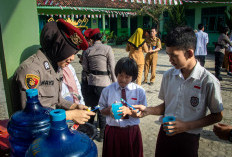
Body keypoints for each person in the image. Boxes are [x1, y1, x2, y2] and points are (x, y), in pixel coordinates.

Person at [134, 26, 223, 157]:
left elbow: (217, 115)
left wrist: (186, 126)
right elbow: (167, 105)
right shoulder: (169, 76)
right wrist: (148, 110)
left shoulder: (208, 81)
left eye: (174, 56)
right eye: (168, 54)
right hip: (165, 133)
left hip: (189, 139)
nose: (170, 60)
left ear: (190, 53)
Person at [11, 19, 95, 125]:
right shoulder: (31, 71)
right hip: (34, 135)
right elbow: (31, 113)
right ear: (57, 47)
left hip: (50, 129)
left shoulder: (56, 67)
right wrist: (70, 115)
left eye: (75, 52)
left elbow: (56, 100)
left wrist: (73, 106)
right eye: (69, 52)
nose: (72, 58)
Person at [99, 57, 147, 157]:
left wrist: (129, 111)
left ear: (133, 77)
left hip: (132, 131)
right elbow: (101, 110)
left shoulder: (139, 91)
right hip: (113, 131)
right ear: (116, 73)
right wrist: (109, 109)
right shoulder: (107, 90)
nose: (123, 79)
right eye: (120, 75)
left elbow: (143, 113)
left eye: (127, 76)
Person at [82, 28, 117, 142]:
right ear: (100, 38)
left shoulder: (87, 51)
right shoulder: (107, 49)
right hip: (104, 84)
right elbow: (112, 68)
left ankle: (90, 132)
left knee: (91, 108)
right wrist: (115, 84)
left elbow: (85, 69)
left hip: (91, 84)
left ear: (91, 39)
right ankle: (102, 135)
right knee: (103, 109)